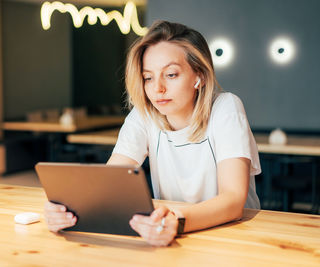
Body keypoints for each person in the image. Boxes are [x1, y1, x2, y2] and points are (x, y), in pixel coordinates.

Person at [44, 20, 261, 247]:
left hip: (233, 235)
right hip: (169, 234)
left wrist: (176, 222)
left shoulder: (226, 106)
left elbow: (233, 200)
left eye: (171, 74)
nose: (157, 89)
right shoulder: (144, 115)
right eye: (148, 77)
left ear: (200, 76)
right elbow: (109, 181)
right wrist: (68, 208)